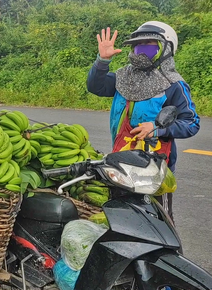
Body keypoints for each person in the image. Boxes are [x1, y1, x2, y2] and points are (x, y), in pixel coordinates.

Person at [86, 21, 200, 221]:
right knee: (123, 218)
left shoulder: (174, 85)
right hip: (122, 161)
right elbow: (96, 86)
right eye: (139, 44)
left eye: (150, 43)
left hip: (155, 169)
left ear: (165, 48)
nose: (142, 49)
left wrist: (157, 129)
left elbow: (191, 123)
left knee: (160, 221)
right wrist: (102, 61)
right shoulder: (123, 78)